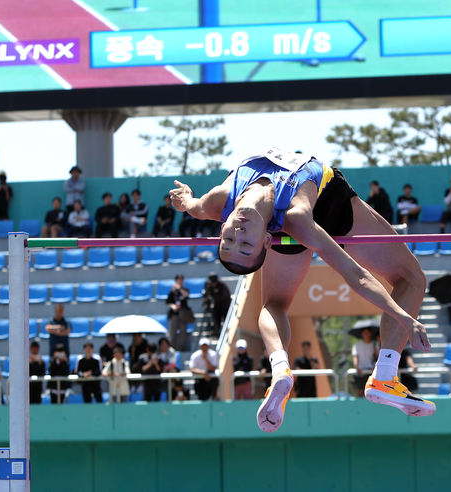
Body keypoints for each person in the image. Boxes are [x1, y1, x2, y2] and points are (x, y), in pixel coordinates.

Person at [169, 147, 434, 432]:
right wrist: (406, 318)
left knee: (276, 303)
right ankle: (378, 375)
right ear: (268, 241)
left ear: (221, 229)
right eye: (246, 245)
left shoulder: (216, 202)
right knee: (412, 277)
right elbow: (355, 275)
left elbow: (192, 205)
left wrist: (184, 198)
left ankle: (296, 371)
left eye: (229, 240)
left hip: (303, 204)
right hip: (325, 203)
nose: (239, 235)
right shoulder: (295, 218)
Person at [166, 274, 194, 351]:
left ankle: (181, 348)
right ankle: (172, 349)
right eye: (179, 279)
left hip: (183, 314)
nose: (180, 281)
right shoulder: (172, 291)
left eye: (182, 279)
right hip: (174, 314)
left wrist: (180, 288)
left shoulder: (185, 290)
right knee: (172, 332)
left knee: (183, 332)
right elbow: (168, 302)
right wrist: (173, 306)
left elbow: (186, 296)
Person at [351, 327, 377, 397]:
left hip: (370, 372)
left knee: (370, 392)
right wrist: (356, 367)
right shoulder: (357, 345)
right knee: (360, 392)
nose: (366, 335)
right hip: (360, 372)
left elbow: (377, 358)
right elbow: (355, 357)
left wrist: (375, 368)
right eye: (365, 333)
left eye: (368, 333)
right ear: (362, 334)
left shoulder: (374, 345)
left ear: (370, 334)